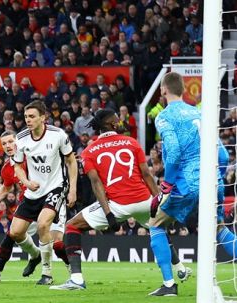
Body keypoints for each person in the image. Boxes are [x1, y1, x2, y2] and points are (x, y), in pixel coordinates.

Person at [51, 109, 190, 291]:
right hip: (143, 201)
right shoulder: (132, 142)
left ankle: (76, 279)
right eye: (117, 119)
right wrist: (160, 202)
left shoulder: (89, 151)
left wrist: (109, 214)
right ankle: (179, 270)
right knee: (157, 230)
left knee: (71, 226)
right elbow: (147, 175)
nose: (121, 121)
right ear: (111, 125)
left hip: (118, 205)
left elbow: (96, 183)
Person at [148, 72, 237, 296]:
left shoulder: (165, 116)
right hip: (212, 181)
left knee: (156, 224)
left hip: (185, 183)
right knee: (219, 229)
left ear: (163, 90)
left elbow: (175, 151)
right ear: (184, 89)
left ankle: (169, 285)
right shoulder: (200, 113)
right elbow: (224, 156)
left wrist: (166, 186)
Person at [0, 131, 70, 284]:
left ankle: (72, 270)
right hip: (30, 201)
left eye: (11, 141)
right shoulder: (8, 167)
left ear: (19, 141)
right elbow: (6, 187)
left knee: (57, 243)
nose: (8, 146)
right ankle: (28, 259)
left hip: (51, 198)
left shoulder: (32, 155)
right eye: (5, 143)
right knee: (13, 233)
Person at [12, 100, 78, 285]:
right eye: (26, 117)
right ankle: (35, 255)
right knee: (15, 233)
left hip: (55, 187)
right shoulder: (21, 138)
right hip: (33, 190)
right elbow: (17, 165)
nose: (28, 120)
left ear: (43, 117)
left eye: (32, 116)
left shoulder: (58, 135)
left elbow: (71, 161)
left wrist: (72, 190)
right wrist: (26, 182)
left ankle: (47, 274)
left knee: (43, 225)